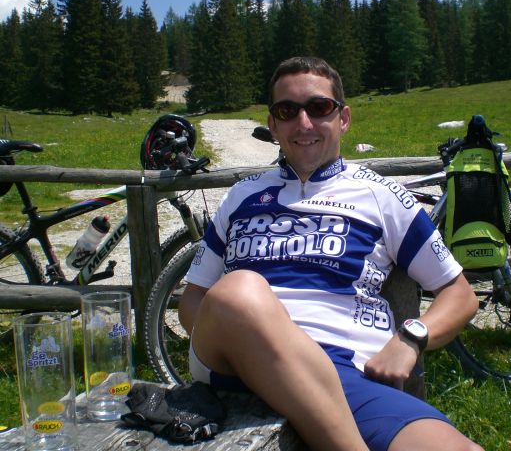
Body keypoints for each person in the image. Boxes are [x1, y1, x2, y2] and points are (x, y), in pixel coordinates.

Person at [179, 56, 483, 451]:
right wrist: (247, 339)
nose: (303, 123)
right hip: (238, 370)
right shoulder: (241, 195)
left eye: (319, 107)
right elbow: (195, 297)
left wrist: (410, 339)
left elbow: (460, 294)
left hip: (346, 371)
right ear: (273, 125)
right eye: (287, 111)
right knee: (238, 292)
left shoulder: (382, 195)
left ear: (344, 118)